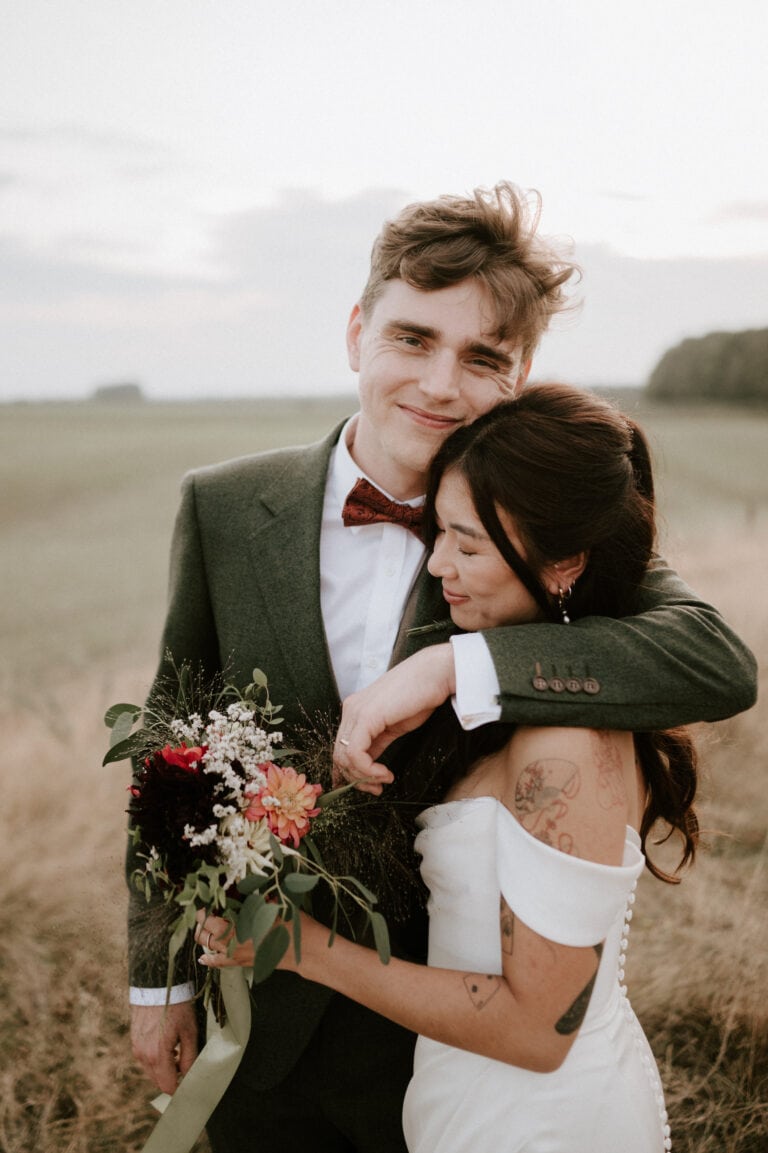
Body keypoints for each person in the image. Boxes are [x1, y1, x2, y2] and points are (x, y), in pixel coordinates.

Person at [129, 183, 756, 1153]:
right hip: (258, 1021)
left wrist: (460, 666)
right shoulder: (220, 504)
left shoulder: (543, 526)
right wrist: (160, 980)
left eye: (482, 356)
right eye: (413, 338)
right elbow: (171, 760)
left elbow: (713, 658)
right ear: (356, 331)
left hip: (445, 1028)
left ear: (520, 372)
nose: (439, 383)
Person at [198, 384, 701, 1152]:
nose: (438, 565)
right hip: (468, 1101)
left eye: (468, 545)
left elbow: (537, 1030)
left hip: (538, 1120)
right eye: (439, 534)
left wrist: (295, 941)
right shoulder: (515, 706)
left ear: (565, 562)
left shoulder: (564, 748)